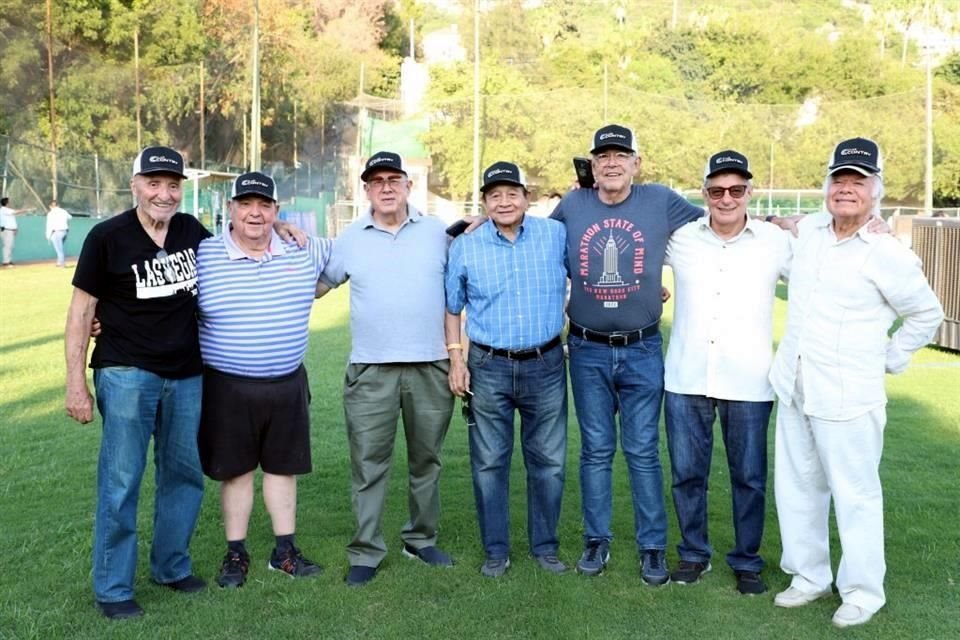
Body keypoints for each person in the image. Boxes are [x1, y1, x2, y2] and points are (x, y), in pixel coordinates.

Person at [769, 138, 944, 628]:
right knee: (798, 487)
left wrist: (889, 358)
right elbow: (777, 229)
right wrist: (779, 223)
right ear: (827, 186)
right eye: (839, 181)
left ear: (875, 191)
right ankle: (808, 577)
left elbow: (926, 314)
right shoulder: (809, 234)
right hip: (796, 385)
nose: (846, 189)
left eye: (858, 182)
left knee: (856, 494)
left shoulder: (886, 252)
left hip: (849, 394)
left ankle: (864, 592)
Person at [549, 124, 705, 584]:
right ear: (592, 166)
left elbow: (721, 219)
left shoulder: (660, 199)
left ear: (637, 162)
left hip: (641, 348)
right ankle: (597, 541)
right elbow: (534, 242)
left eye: (621, 156)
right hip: (586, 348)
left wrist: (786, 222)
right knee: (595, 451)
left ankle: (652, 546)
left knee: (642, 451)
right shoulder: (573, 205)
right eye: (603, 157)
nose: (612, 163)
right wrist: (471, 224)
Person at [64, 146, 209, 619]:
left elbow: (240, 248)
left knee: (184, 475)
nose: (163, 194)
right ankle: (113, 588)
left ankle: (171, 566)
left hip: (186, 373)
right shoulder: (107, 237)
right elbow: (82, 312)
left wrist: (284, 227)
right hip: (126, 371)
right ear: (135, 185)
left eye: (172, 185)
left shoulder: (191, 231)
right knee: (122, 479)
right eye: (154, 183)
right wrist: (74, 383)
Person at [317, 151, 455, 587]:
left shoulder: (437, 234)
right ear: (366, 190)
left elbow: (471, 281)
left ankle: (421, 538)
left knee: (426, 460)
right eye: (377, 181)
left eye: (394, 179)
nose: (387, 187)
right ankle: (366, 550)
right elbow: (318, 286)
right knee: (368, 463)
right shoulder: (351, 238)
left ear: (408, 186)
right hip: (371, 370)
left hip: (431, 366)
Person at [196, 172, 333, 588]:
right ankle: (235, 554)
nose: (255, 213)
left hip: (288, 383)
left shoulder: (304, 249)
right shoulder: (203, 254)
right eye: (245, 204)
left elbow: (359, 255)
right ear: (231, 210)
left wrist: (318, 286)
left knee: (282, 468)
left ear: (276, 210)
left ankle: (284, 551)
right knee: (235, 472)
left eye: (264, 205)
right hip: (227, 385)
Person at [663, 150, 790, 595]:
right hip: (686, 376)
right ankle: (693, 554)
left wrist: (875, 225)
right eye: (717, 190)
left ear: (750, 193)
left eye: (736, 189)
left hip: (751, 380)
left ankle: (747, 560)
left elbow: (820, 269)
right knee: (686, 474)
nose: (727, 198)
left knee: (750, 478)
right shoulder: (680, 238)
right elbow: (633, 256)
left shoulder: (777, 242)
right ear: (705, 193)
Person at [444, 161, 569, 578]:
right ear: (483, 202)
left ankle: (545, 547)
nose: (503, 201)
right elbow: (452, 307)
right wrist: (456, 358)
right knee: (489, 463)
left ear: (526, 197)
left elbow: (591, 273)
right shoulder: (466, 244)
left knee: (548, 461)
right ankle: (496, 550)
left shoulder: (554, 235)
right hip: (488, 366)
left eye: (511, 193)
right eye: (494, 195)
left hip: (546, 363)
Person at [1, 196, 32, 267]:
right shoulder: (4, 209)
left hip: (9, 230)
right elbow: (16, 212)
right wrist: (27, 210)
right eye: (9, 201)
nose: (10, 203)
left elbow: (11, 220)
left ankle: (8, 260)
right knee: (7, 246)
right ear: (7, 203)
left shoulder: (7, 210)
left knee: (10, 246)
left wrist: (15, 229)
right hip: (6, 230)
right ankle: (6, 262)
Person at [46, 199, 73, 267]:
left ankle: (62, 263)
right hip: (64, 232)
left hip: (56, 232)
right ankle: (59, 262)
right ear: (58, 205)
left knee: (59, 249)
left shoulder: (50, 214)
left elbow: (49, 225)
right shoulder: (63, 211)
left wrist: (48, 235)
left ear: (50, 206)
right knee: (60, 248)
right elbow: (70, 217)